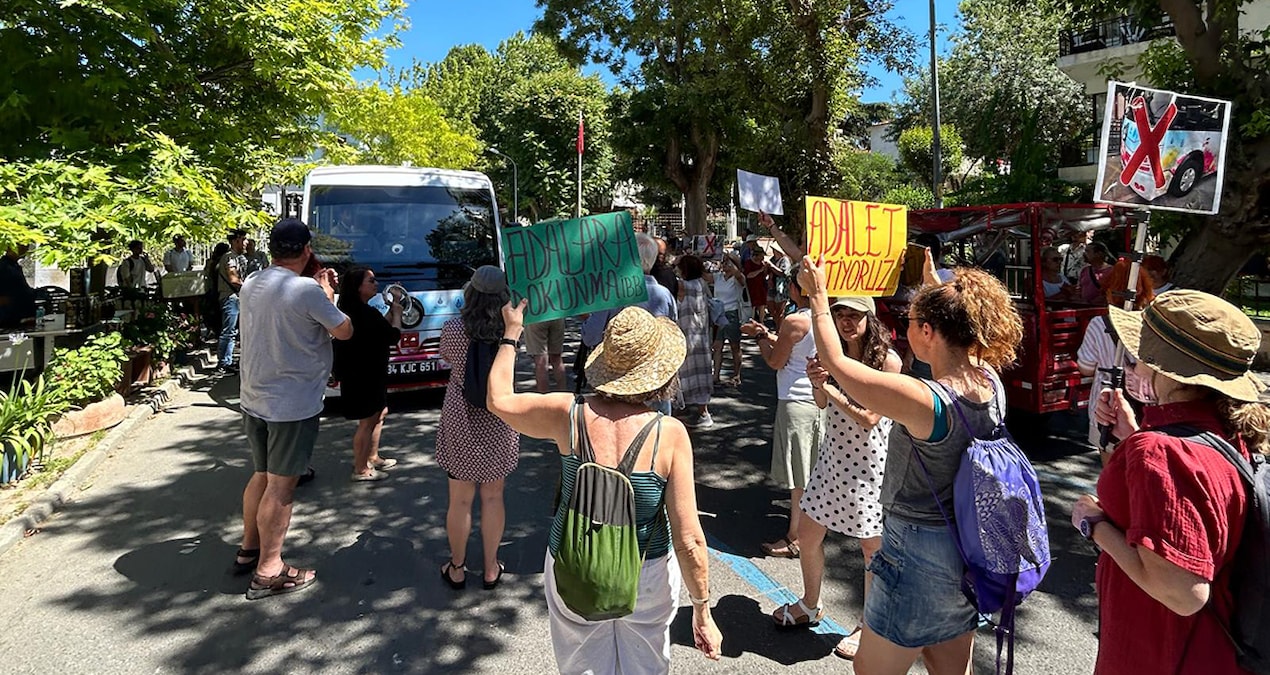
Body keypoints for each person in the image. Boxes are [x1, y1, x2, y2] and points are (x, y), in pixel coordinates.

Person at [797, 257, 1024, 675]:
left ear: (927, 332)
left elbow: (837, 364)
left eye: (914, 319)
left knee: (871, 669)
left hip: (918, 550)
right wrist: (936, 289)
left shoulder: (926, 401)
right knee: (950, 665)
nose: (906, 327)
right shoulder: (989, 379)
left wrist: (817, 297)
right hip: (968, 547)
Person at [487, 303, 723, 672]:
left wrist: (511, 332)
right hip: (647, 572)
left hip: (572, 561)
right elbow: (689, 538)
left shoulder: (568, 413)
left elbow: (498, 400)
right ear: (660, 373)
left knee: (581, 664)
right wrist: (702, 608)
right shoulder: (669, 434)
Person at [1073, 289, 1270, 675]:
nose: (1134, 363)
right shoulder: (1226, 432)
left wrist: (1092, 524)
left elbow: (1183, 594)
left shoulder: (1161, 450)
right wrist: (1130, 439)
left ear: (1163, 367)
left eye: (1141, 353)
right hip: (1215, 650)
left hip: (1161, 651)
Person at [771, 296, 902, 661]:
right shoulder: (833, 357)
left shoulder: (888, 362)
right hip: (832, 460)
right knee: (809, 535)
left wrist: (829, 386)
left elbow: (871, 417)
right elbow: (822, 405)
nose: (846, 322)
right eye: (840, 314)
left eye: (854, 315)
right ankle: (810, 604)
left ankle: (868, 625)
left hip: (870, 466)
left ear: (869, 318)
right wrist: (817, 382)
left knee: (870, 549)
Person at [234, 218, 352, 600]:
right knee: (282, 488)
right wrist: (329, 294)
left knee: (262, 475)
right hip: (292, 404)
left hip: (255, 397)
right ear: (306, 250)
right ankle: (269, 570)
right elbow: (344, 330)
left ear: (271, 250)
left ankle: (248, 548)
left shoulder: (252, 282)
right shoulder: (307, 292)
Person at [436, 266, 520, 591]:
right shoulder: (510, 331)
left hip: (461, 415)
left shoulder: (453, 328)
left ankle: (457, 567)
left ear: (470, 292)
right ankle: (490, 568)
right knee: (494, 496)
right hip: (499, 416)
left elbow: (447, 358)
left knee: (459, 501)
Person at [741, 278, 820, 560]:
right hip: (821, 400)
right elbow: (799, 348)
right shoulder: (828, 315)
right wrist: (768, 332)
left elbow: (776, 360)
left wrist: (760, 338)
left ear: (797, 288)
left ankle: (795, 537)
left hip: (795, 400)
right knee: (813, 470)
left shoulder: (795, 320)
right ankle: (811, 528)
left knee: (799, 476)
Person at [1076, 258, 1155, 450]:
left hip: (1107, 404)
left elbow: (1086, 368)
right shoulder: (1154, 325)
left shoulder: (1099, 324)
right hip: (1147, 403)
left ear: (1110, 288)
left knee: (1111, 467)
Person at [334, 267, 403, 481]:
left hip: (366, 371)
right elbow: (392, 335)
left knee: (379, 412)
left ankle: (372, 456)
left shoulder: (355, 310)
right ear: (358, 286)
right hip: (364, 374)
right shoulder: (362, 312)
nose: (376, 284)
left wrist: (392, 309)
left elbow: (378, 328)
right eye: (371, 281)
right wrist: (398, 314)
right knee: (367, 420)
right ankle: (361, 468)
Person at [675, 253, 714, 428]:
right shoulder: (701, 283)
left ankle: (680, 410)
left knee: (681, 373)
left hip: (686, 337)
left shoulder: (683, 286)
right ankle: (702, 411)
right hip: (701, 338)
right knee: (702, 374)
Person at [711, 252, 746, 387]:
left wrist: (733, 261)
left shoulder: (737, 278)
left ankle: (736, 375)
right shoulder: (717, 277)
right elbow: (702, 275)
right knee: (717, 346)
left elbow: (740, 277)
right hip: (719, 314)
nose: (725, 265)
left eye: (728, 263)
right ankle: (716, 375)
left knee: (734, 345)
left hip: (732, 313)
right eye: (724, 262)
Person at [216, 230, 248, 374]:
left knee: (233, 331)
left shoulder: (237, 257)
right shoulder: (229, 258)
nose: (246, 243)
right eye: (244, 239)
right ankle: (223, 363)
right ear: (235, 241)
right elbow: (233, 279)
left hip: (236, 298)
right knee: (228, 331)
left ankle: (227, 361)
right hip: (230, 297)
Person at [525, 317, 567, 393]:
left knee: (541, 361)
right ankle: (563, 395)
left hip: (536, 315)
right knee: (556, 358)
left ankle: (543, 398)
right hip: (557, 313)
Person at [0, 244, 36, 329]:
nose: (25, 249)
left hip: (19, 316)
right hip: (8, 318)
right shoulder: (4, 267)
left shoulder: (14, 267)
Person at [766, 248, 792, 331]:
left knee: (780, 311)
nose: (773, 250)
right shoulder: (772, 259)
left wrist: (771, 266)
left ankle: (779, 330)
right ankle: (777, 326)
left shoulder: (784, 260)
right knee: (771, 309)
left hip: (781, 288)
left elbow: (783, 273)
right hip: (771, 286)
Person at [743, 246, 771, 323]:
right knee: (752, 306)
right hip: (752, 287)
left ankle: (762, 322)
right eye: (761, 255)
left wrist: (765, 269)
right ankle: (751, 322)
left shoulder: (762, 264)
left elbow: (764, 275)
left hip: (761, 287)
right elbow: (748, 275)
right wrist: (760, 270)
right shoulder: (748, 263)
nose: (762, 257)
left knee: (762, 305)